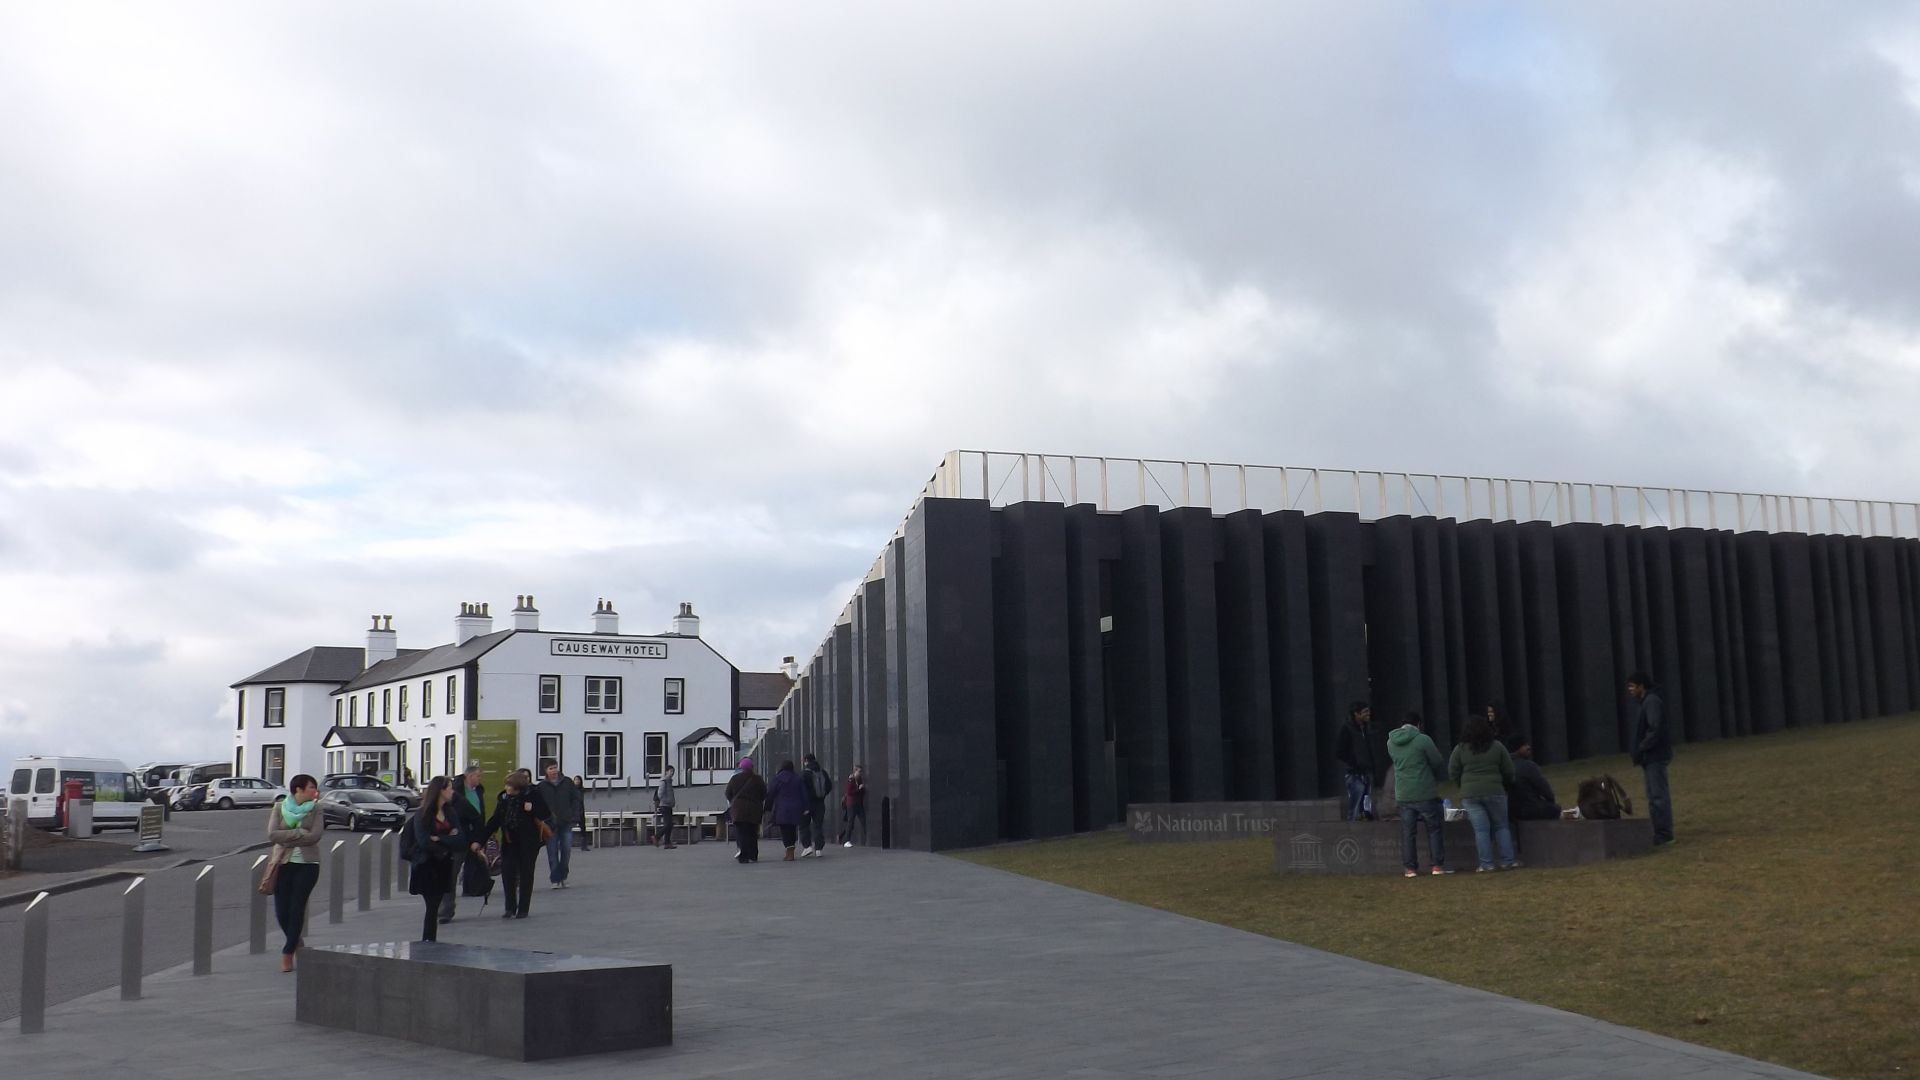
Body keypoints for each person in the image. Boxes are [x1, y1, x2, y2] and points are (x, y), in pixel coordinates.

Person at [265, 773, 324, 971]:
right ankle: (296, 941)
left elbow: (315, 836)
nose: (315, 791)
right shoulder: (279, 807)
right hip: (282, 863)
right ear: (298, 789)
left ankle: (287, 952)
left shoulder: (316, 808)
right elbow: (273, 834)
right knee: (282, 911)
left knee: (297, 907)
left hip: (308, 864)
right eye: (311, 787)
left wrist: (288, 837)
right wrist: (299, 833)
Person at [409, 777, 477, 942]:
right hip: (427, 866)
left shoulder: (450, 812)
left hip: (445, 864)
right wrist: (447, 838)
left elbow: (460, 839)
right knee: (432, 906)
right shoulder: (422, 814)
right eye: (449, 788)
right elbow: (424, 842)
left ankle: (430, 940)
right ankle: (428, 941)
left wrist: (439, 839)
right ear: (440, 791)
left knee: (436, 904)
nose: (452, 791)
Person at [1448, 714, 1518, 872]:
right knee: (1501, 826)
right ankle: (1508, 860)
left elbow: (1453, 771)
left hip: (1470, 794)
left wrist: (1463, 785)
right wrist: (1505, 783)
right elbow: (1509, 770)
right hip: (1495, 791)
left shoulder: (1460, 749)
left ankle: (1486, 864)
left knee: (1481, 830)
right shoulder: (1497, 746)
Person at [1386, 714, 1452, 877]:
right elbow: (1437, 761)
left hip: (1403, 793)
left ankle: (1410, 869)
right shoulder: (1423, 740)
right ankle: (1436, 866)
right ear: (1418, 724)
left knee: (1408, 832)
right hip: (1424, 791)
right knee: (1434, 829)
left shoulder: (1390, 742)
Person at [484, 769, 552, 918]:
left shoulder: (532, 795)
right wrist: (481, 838)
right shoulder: (503, 799)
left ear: (518, 787)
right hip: (509, 842)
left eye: (509, 785)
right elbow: (495, 819)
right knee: (508, 874)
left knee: (526, 875)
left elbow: (546, 813)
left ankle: (523, 909)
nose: (507, 788)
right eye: (506, 785)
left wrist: (532, 809)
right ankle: (510, 907)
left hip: (528, 843)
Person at [1628, 672, 1675, 845]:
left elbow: (1655, 729)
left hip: (1655, 756)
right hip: (1649, 757)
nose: (1630, 690)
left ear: (1642, 686)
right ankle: (1658, 832)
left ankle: (1664, 833)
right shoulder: (1645, 702)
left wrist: (1641, 747)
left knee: (1658, 795)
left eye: (1632, 686)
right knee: (1653, 795)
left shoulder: (1651, 701)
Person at [439, 765, 487, 923]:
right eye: (477, 776)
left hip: (462, 842)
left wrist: (476, 840)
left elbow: (477, 818)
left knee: (451, 875)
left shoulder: (463, 800)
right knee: (446, 875)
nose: (480, 779)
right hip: (447, 843)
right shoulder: (455, 796)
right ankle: (443, 908)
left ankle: (447, 909)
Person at [537, 764, 582, 888]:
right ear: (545, 771)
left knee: (566, 850)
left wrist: (574, 815)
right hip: (550, 824)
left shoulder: (567, 782)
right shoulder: (542, 786)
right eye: (551, 768)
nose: (554, 770)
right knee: (552, 852)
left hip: (566, 822)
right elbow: (538, 804)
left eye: (555, 767)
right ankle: (555, 879)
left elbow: (576, 799)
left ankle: (563, 875)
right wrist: (543, 819)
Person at [1333, 702, 1377, 821]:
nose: (1368, 714)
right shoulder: (1347, 728)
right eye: (1365, 712)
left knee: (1367, 808)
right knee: (1355, 807)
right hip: (1354, 774)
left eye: (1368, 711)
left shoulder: (1366, 728)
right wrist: (1354, 762)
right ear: (1356, 714)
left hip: (1367, 772)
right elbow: (1340, 751)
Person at [1504, 735, 1562, 821]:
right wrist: (1551, 802)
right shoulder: (1529, 766)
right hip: (1530, 810)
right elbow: (1545, 790)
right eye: (1524, 745)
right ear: (1517, 749)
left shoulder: (1503, 766)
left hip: (1510, 812)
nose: (1528, 747)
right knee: (1555, 809)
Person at [724, 758, 767, 864]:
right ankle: (753, 854)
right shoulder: (758, 779)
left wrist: (734, 802)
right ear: (752, 767)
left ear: (741, 767)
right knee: (752, 832)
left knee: (741, 833)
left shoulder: (735, 778)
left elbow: (727, 793)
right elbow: (764, 793)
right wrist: (757, 801)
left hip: (738, 810)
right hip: (754, 810)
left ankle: (743, 855)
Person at [766, 759, 806, 861]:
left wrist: (768, 807)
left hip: (782, 808)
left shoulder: (777, 779)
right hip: (796, 808)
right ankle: (790, 851)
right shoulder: (798, 778)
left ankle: (789, 851)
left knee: (784, 830)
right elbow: (804, 794)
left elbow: (771, 793)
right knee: (792, 829)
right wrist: (806, 807)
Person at [799, 753, 834, 857]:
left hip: (806, 804)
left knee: (804, 825)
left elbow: (800, 790)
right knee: (818, 826)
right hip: (820, 803)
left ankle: (807, 846)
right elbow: (829, 786)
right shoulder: (822, 772)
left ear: (806, 761)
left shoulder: (804, 774)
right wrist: (821, 796)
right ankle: (818, 849)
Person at [838, 764, 868, 847]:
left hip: (858, 803)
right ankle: (846, 840)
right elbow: (849, 792)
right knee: (851, 822)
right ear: (855, 771)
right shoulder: (851, 780)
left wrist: (862, 789)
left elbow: (861, 791)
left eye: (861, 771)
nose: (860, 773)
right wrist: (859, 789)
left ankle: (866, 837)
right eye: (859, 771)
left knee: (863, 820)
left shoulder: (859, 779)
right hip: (852, 804)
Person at [652, 766, 678, 849]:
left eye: (673, 771)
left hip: (669, 805)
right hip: (664, 805)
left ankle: (667, 843)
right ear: (666, 772)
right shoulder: (664, 781)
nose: (672, 773)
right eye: (670, 771)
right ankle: (656, 837)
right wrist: (665, 801)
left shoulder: (669, 782)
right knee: (668, 824)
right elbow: (660, 794)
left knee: (670, 825)